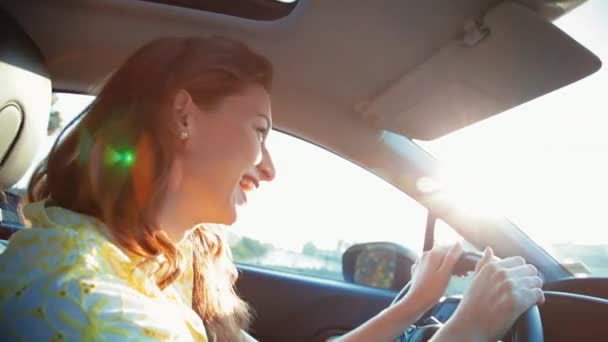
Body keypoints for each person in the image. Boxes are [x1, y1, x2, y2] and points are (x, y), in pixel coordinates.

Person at [0, 36, 544, 342]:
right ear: (183, 117)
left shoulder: (160, 260)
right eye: (260, 131)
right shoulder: (82, 303)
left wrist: (415, 307)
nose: (269, 168)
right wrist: (464, 332)